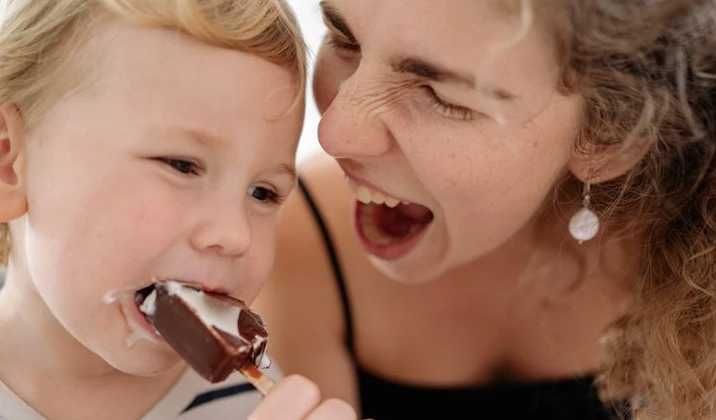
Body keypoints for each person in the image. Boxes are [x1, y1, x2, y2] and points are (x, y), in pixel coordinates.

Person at [255, 0, 716, 419]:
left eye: (442, 96)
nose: (333, 133)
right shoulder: (299, 242)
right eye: (343, 37)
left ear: (608, 133)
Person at [0, 0, 356, 418]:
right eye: (182, 166)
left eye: (262, 193)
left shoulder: (249, 405)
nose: (234, 234)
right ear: (2, 162)